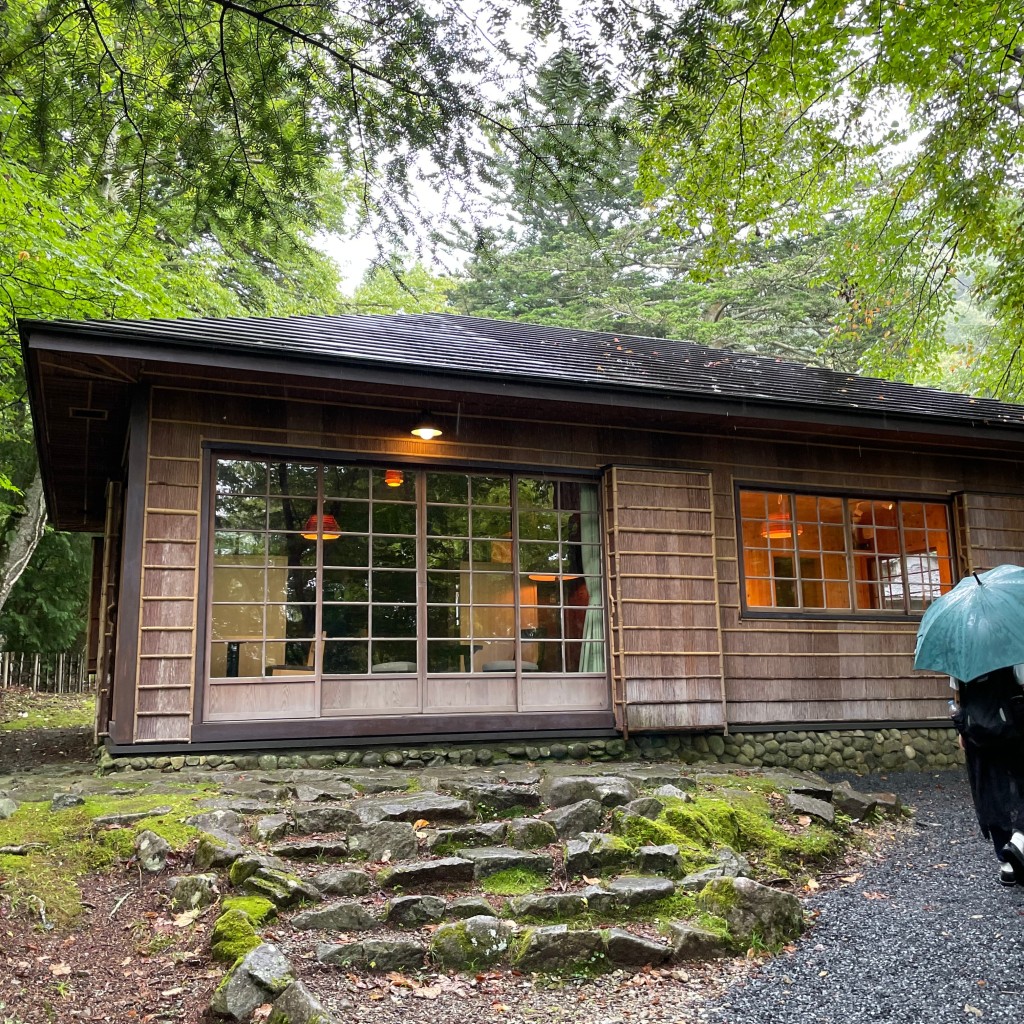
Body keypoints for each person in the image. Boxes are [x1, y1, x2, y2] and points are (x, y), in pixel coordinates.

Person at [951, 664, 1024, 886]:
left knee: (988, 790)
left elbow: (957, 697)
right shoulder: (1013, 650)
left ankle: (1006, 864)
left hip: (976, 731)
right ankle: (1020, 838)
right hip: (1012, 727)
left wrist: (960, 730)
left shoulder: (962, 652)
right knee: (1020, 783)